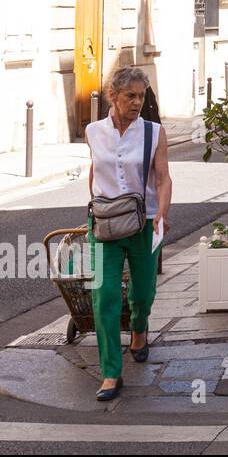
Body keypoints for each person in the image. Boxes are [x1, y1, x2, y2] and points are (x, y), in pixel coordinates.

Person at [87, 66, 172, 401]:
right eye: (130, 96)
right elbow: (94, 172)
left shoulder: (153, 133)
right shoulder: (93, 131)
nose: (137, 102)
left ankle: (139, 328)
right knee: (104, 296)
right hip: (106, 224)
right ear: (113, 95)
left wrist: (162, 213)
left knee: (144, 293)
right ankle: (110, 373)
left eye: (141, 96)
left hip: (145, 222)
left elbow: (163, 178)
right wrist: (92, 209)